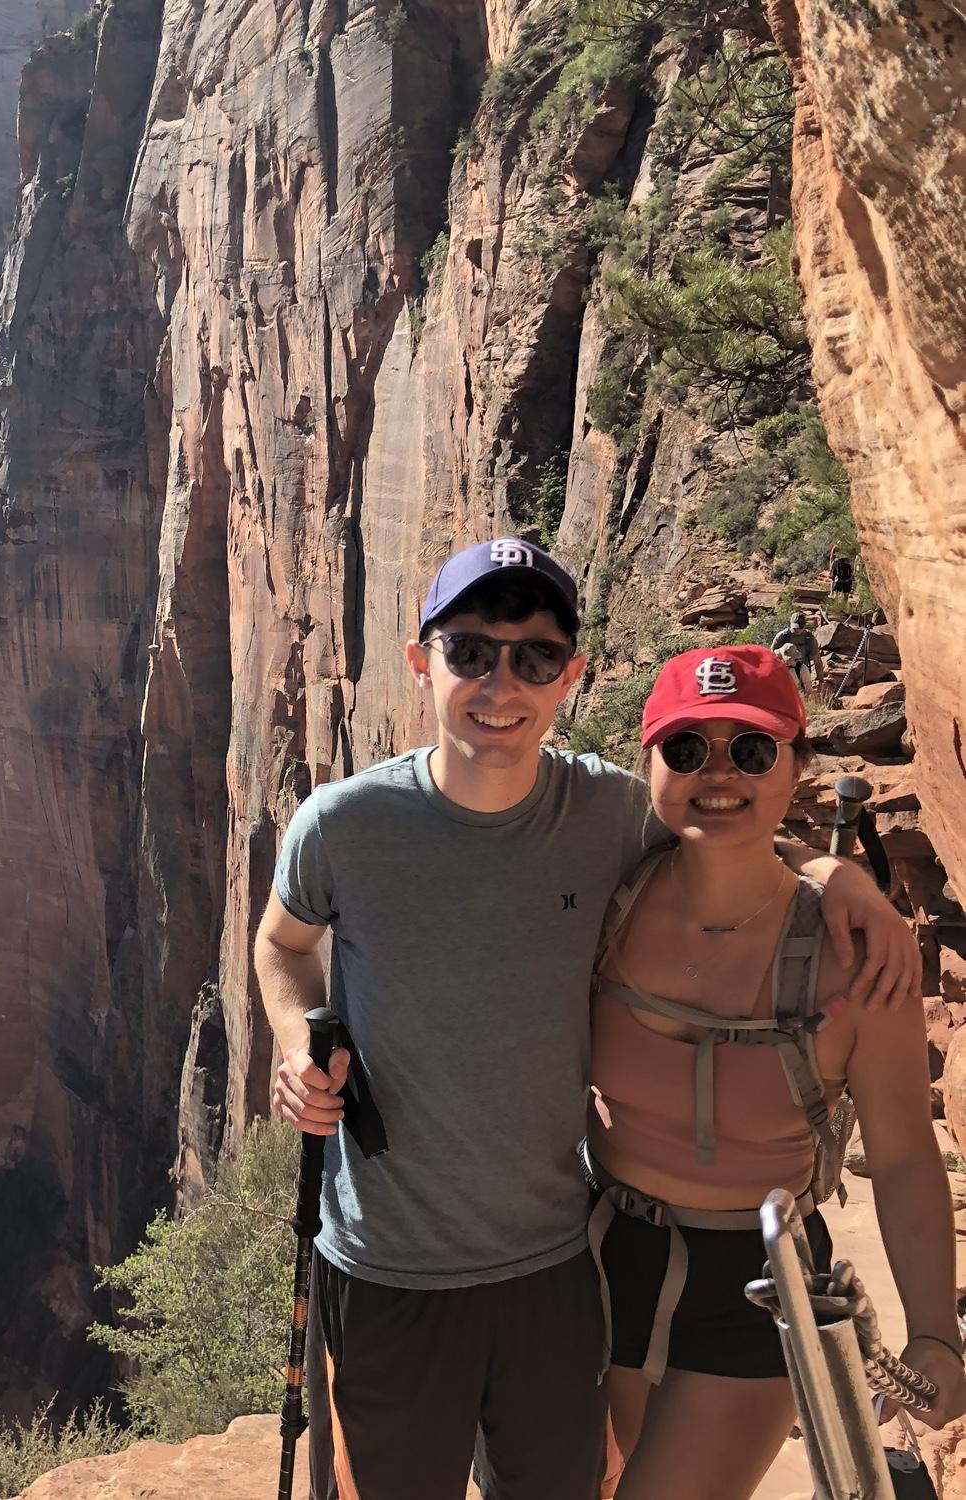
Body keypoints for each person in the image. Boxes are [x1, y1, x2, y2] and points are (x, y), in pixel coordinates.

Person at [254, 537, 919, 1500]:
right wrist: (290, 1041)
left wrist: (834, 871)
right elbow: (281, 945)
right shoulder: (342, 825)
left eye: (532, 656)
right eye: (471, 651)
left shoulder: (610, 815)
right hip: (386, 1263)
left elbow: (728, 832)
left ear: (571, 675)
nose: (499, 682)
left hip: (558, 1266)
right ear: (420, 659)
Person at [588, 645, 966, 1500]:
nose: (717, 775)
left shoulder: (857, 963)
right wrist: (824, 861)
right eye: (686, 750)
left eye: (752, 752)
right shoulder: (601, 893)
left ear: (797, 765)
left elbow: (905, 1158)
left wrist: (935, 1333)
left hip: (759, 1285)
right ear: (646, 763)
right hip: (597, 1257)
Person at [770, 610, 821, 695]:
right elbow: (771, 656)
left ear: (804, 625)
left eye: (799, 628)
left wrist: (820, 680)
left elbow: (817, 660)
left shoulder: (809, 638)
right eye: (794, 627)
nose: (797, 630)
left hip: (803, 671)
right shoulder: (782, 636)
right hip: (783, 672)